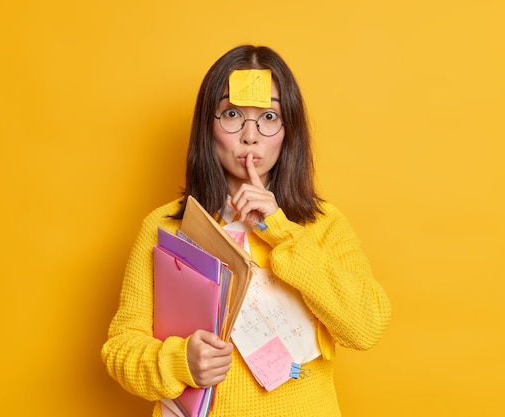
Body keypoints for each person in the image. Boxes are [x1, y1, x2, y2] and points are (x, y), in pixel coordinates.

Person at [101, 44, 391, 417]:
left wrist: (281, 232)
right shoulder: (166, 228)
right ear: (208, 125)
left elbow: (366, 327)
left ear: (289, 132)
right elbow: (120, 348)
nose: (250, 136)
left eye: (269, 116)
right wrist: (177, 361)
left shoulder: (322, 225)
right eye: (232, 114)